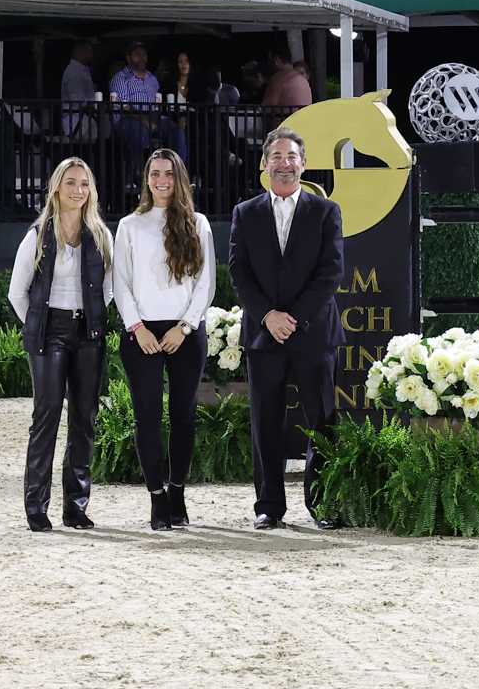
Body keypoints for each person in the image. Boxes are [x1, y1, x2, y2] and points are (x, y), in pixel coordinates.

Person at [229, 128, 344, 529]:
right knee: (265, 422)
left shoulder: (326, 211)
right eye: (276, 156)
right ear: (264, 163)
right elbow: (239, 273)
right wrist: (268, 317)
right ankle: (268, 507)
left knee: (323, 421)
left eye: (291, 156)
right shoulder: (245, 213)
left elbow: (331, 272)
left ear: (303, 163)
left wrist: (294, 318)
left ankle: (324, 504)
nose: (284, 163)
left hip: (314, 333)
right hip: (264, 335)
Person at [7, 158, 114, 531]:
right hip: (49, 332)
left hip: (89, 334)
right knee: (47, 416)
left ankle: (76, 506)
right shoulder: (38, 234)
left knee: (84, 419)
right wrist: (38, 325)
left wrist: (92, 318)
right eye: (70, 183)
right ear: (57, 187)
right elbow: (17, 293)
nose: (77, 190)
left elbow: (109, 288)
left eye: (84, 184)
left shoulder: (100, 234)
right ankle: (36, 506)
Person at [113, 148, 215, 532]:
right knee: (148, 418)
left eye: (169, 174)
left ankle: (177, 492)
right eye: (155, 173)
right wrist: (137, 328)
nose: (161, 180)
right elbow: (119, 283)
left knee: (184, 417)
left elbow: (206, 284)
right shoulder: (130, 226)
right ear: (146, 179)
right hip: (141, 332)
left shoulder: (198, 223)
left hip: (185, 332)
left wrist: (185, 327)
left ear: (179, 179)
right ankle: (156, 498)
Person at [111, 40, 187, 168]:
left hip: (153, 118)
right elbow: (124, 106)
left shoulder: (152, 78)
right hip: (127, 118)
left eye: (144, 54)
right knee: (141, 133)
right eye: (138, 54)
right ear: (129, 58)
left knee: (176, 132)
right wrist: (144, 119)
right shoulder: (120, 78)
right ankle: (129, 174)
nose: (142, 57)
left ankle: (179, 174)